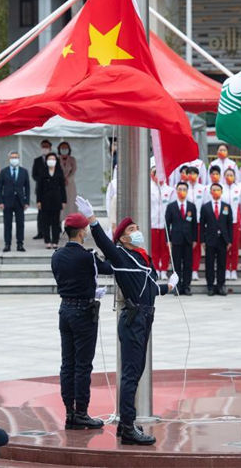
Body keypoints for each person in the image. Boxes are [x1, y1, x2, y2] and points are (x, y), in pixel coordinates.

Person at [76, 196, 179, 445]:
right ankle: (128, 427)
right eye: (132, 230)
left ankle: (125, 425)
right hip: (134, 319)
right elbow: (103, 242)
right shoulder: (121, 254)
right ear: (122, 238)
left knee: (137, 371)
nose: (137, 232)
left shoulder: (142, 258)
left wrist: (168, 287)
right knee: (131, 375)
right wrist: (92, 220)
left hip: (145, 317)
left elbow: (150, 289)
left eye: (137, 229)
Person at [51, 213, 113, 429]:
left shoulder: (57, 255)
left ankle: (69, 410)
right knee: (83, 365)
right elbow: (109, 267)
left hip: (65, 309)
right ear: (81, 232)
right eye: (85, 229)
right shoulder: (87, 257)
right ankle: (82, 412)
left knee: (67, 364)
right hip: (83, 311)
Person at [200, 183, 233, 296]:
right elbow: (202, 225)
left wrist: (229, 240)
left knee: (221, 264)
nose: (216, 192)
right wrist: (202, 240)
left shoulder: (226, 206)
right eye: (214, 190)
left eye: (218, 190)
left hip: (223, 240)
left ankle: (221, 285)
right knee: (209, 264)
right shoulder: (205, 207)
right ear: (210, 192)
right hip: (210, 239)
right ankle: (210, 286)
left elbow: (229, 225)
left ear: (221, 191)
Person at [165, 182, 197, 296]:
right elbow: (167, 224)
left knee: (188, 264)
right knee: (177, 265)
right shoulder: (171, 206)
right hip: (176, 240)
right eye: (180, 189)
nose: (182, 191)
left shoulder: (192, 206)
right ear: (176, 191)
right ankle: (177, 287)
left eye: (184, 189)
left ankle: (186, 286)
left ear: (187, 191)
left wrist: (195, 239)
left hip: (188, 240)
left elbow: (194, 225)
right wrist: (168, 240)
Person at [0, 151, 30, 252]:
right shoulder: (4, 171)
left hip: (20, 201)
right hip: (7, 201)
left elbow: (27, 187)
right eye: (12, 157)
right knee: (7, 224)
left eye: (16, 157)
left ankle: (20, 244)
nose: (14, 159)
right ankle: (7, 244)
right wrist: (0, 201)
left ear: (19, 159)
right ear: (9, 159)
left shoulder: (24, 171)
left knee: (20, 223)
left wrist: (26, 201)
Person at [32, 140, 61, 240]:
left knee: (55, 214)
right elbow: (34, 174)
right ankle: (41, 232)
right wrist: (42, 180)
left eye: (46, 147)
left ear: (50, 148)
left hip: (54, 193)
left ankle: (56, 232)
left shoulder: (55, 160)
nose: (44, 149)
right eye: (43, 147)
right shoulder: (37, 160)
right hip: (42, 190)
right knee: (41, 214)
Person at [149, 165, 175, 279]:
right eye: (156, 174)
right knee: (154, 248)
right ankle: (156, 269)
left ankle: (164, 269)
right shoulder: (149, 189)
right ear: (152, 175)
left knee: (165, 249)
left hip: (165, 224)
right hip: (153, 222)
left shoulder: (169, 190)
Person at [37, 152, 67, 249]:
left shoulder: (59, 171)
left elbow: (62, 187)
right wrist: (38, 201)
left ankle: (55, 241)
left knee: (55, 222)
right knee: (45, 221)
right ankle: (47, 240)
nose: (51, 161)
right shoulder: (42, 171)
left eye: (53, 159)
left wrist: (64, 200)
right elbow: (39, 188)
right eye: (49, 159)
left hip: (56, 200)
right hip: (45, 200)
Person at [221, 168, 241, 280]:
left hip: (235, 222)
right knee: (225, 246)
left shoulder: (238, 189)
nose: (229, 176)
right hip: (223, 223)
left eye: (231, 175)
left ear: (234, 176)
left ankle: (233, 269)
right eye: (227, 174)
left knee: (234, 247)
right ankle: (225, 269)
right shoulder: (221, 189)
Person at [186, 166, 207, 279]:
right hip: (186, 223)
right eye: (189, 173)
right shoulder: (183, 188)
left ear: (198, 175)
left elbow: (205, 206)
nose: (192, 176)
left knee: (197, 247)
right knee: (187, 247)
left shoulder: (203, 189)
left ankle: (195, 270)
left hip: (198, 222)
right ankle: (187, 269)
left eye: (194, 173)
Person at [57, 141, 77, 221]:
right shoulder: (57, 159)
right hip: (59, 184)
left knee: (71, 203)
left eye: (66, 148)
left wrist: (67, 179)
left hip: (70, 184)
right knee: (61, 203)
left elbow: (74, 171)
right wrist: (61, 180)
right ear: (59, 149)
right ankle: (59, 221)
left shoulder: (72, 159)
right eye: (62, 148)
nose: (64, 150)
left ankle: (71, 220)